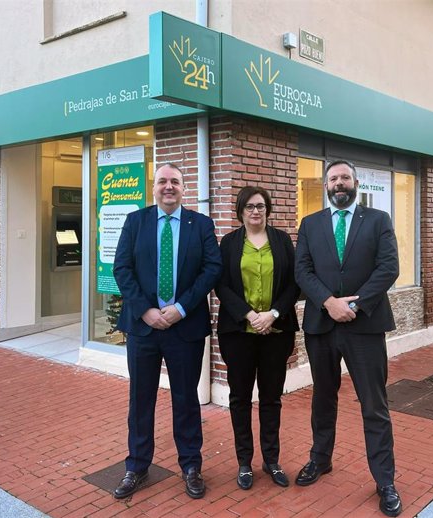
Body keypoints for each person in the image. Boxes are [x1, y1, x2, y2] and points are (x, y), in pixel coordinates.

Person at [294, 160, 402, 517]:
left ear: (356, 183)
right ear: (325, 186)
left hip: (364, 326)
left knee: (374, 405)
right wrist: (328, 302)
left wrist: (354, 304)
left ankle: (385, 480)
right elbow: (302, 270)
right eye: (333, 178)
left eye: (345, 177)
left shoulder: (378, 220)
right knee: (323, 399)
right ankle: (320, 459)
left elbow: (389, 267)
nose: (339, 183)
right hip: (321, 326)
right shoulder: (310, 224)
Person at [112, 163, 222, 500]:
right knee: (140, 399)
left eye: (175, 181)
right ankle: (137, 466)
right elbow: (122, 268)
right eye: (162, 181)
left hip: (184, 327)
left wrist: (181, 308)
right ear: (154, 187)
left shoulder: (200, 224)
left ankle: (191, 465)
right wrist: (144, 309)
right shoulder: (136, 221)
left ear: (183, 188)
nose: (168, 187)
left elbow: (212, 268)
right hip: (144, 328)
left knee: (186, 399)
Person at [215, 186, 300, 490]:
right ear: (241, 210)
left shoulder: (282, 241)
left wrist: (273, 313)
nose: (255, 211)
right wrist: (250, 315)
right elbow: (221, 285)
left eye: (261, 206)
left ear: (268, 209)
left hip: (276, 333)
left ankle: (271, 459)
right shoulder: (228, 243)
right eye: (250, 206)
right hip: (238, 333)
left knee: (271, 398)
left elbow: (294, 283)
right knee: (239, 398)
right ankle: (244, 463)